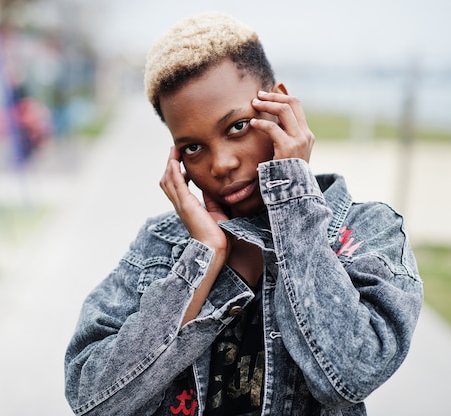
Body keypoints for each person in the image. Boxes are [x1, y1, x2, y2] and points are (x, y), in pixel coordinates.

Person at [64, 11, 423, 415]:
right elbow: (92, 401)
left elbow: (349, 376)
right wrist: (203, 262)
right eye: (193, 148)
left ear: (279, 104)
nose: (221, 164)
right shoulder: (161, 247)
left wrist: (292, 202)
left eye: (236, 127)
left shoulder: (367, 231)